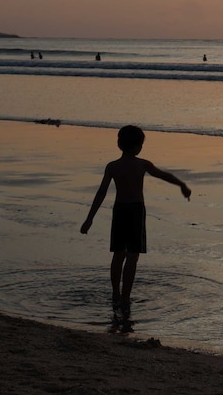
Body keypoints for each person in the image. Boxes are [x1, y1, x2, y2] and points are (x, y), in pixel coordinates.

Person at [80, 125, 191, 320]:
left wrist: (89, 219)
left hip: (120, 210)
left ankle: (115, 293)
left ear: (119, 144)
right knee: (132, 256)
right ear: (138, 146)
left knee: (118, 254)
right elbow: (164, 175)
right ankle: (125, 297)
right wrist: (182, 185)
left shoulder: (112, 166)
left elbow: (101, 192)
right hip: (136, 212)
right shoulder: (142, 164)